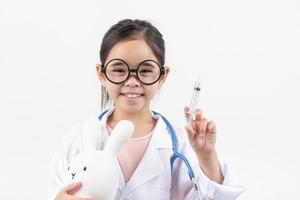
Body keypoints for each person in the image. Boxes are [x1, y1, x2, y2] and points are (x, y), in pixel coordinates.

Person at [48, 19, 245, 200]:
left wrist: (206, 155)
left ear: (163, 75)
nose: (132, 81)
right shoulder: (77, 141)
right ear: (101, 74)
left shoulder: (182, 146)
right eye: (119, 70)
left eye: (145, 70)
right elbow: (56, 193)